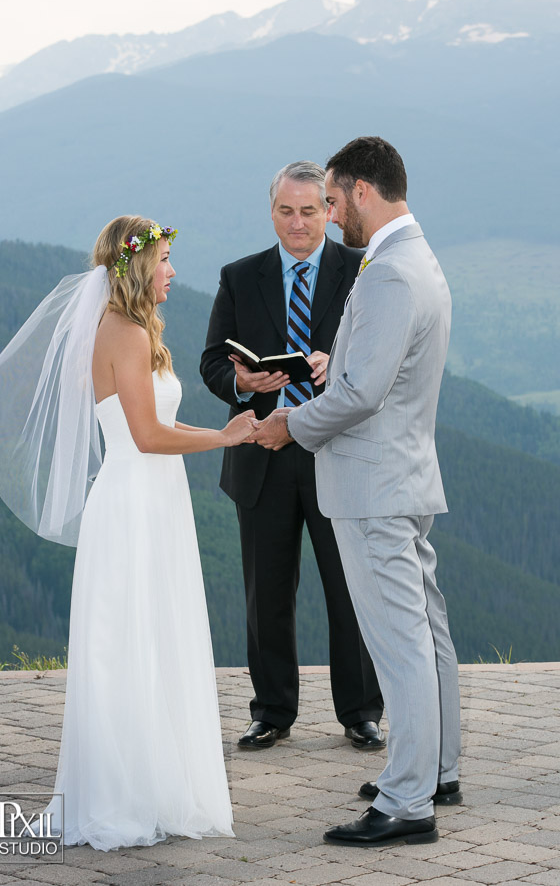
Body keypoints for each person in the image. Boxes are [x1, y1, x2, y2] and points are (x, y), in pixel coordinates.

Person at [0, 216, 257, 851]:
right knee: (131, 638)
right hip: (134, 499)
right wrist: (225, 435)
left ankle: (149, 782)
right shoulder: (123, 333)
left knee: (148, 635)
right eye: (164, 262)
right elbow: (148, 436)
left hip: (154, 498)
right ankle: (127, 792)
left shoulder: (130, 331)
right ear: (138, 266)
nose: (173, 273)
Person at [254, 138, 462, 848]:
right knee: (426, 636)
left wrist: (291, 425)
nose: (332, 214)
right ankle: (435, 768)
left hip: (373, 485)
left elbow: (365, 392)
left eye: (335, 199)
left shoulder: (388, 274)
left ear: (363, 191)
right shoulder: (417, 259)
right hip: (402, 475)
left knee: (400, 645)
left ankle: (407, 802)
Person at [200, 161, 385, 751]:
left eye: (310, 210)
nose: (298, 223)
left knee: (349, 589)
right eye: (287, 211)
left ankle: (361, 711)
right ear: (271, 210)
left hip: (337, 451)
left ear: (330, 212)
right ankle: (272, 711)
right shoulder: (239, 275)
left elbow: (385, 352)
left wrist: (341, 366)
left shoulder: (362, 269)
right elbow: (210, 362)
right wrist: (241, 386)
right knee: (266, 593)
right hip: (263, 457)